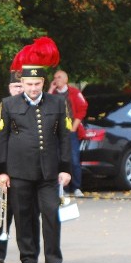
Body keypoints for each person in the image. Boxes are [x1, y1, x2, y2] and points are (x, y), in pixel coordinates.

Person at [0, 38, 71, 263]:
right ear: (22, 83)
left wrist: (66, 168)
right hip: (19, 171)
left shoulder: (57, 103)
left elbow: (65, 137)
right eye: (29, 84)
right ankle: (28, 259)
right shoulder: (8, 104)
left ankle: (54, 260)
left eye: (37, 83)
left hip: (48, 171)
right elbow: (0, 139)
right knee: (24, 217)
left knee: (50, 214)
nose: (33, 88)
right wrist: (1, 170)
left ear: (43, 82)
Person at [0, 70, 35, 263]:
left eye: (21, 87)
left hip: (25, 170)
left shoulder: (31, 108)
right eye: (16, 87)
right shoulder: (1, 108)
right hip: (4, 169)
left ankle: (28, 255)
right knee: (2, 212)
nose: (19, 90)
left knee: (26, 215)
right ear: (9, 88)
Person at [49, 69, 88, 197]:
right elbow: (44, 104)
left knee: (74, 159)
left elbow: (83, 108)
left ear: (66, 79)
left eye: (59, 77)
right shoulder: (52, 94)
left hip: (70, 132)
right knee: (58, 159)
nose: (56, 79)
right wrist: (50, 89)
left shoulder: (74, 93)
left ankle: (76, 187)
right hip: (56, 132)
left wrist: (74, 127)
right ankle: (62, 189)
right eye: (55, 77)